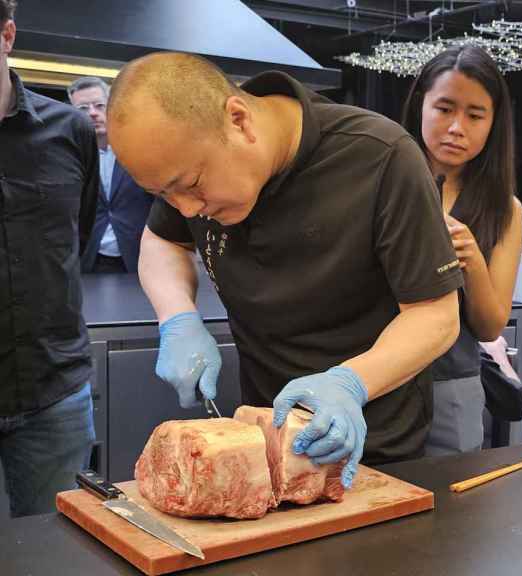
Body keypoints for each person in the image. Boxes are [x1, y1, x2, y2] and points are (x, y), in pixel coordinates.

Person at [106, 52, 462, 488]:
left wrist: (350, 383)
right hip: (264, 440)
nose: (187, 209)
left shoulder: (379, 157)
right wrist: (176, 316)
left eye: (192, 185)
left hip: (375, 444)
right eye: (165, 194)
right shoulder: (186, 158)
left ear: (238, 120)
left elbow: (436, 315)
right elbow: (161, 240)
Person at [0, 0, 100, 516]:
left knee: (57, 553)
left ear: (8, 34)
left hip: (54, 394)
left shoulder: (70, 131)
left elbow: (79, 233)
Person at [400, 45, 522, 455]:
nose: (457, 127)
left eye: (475, 116)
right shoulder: (383, 184)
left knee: (452, 510)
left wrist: (471, 260)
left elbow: (490, 326)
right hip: (378, 378)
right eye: (444, 108)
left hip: (453, 385)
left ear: (494, 123)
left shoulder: (503, 209)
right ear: (421, 105)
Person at [68, 76, 153, 273]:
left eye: (99, 105)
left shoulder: (141, 150)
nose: (92, 113)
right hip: (90, 259)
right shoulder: (71, 156)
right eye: (82, 108)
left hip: (142, 257)